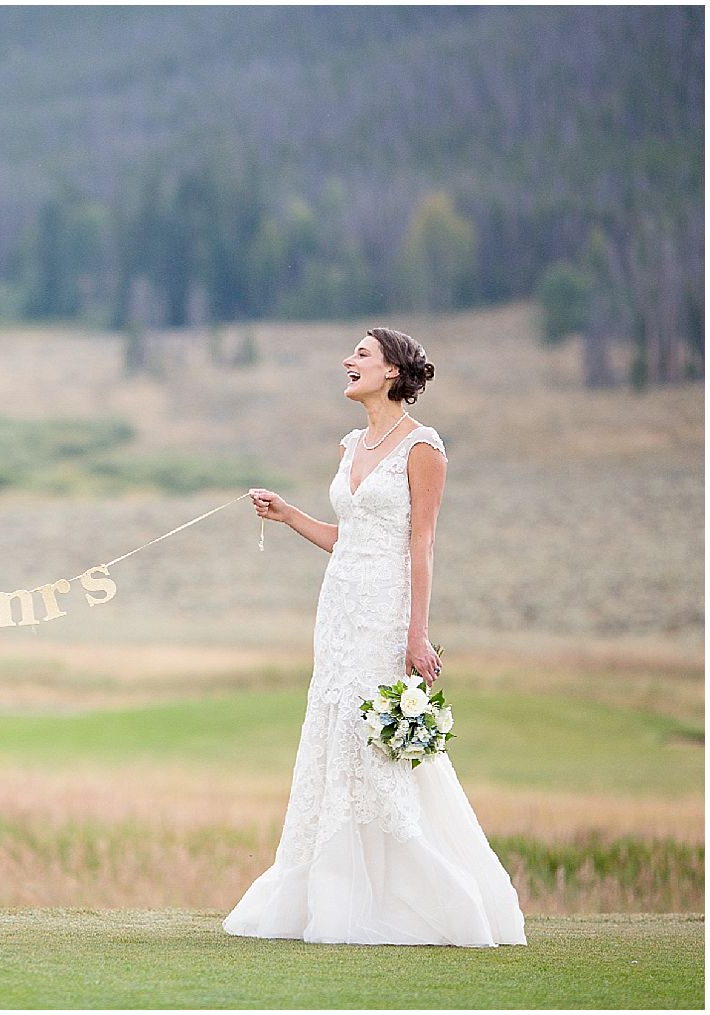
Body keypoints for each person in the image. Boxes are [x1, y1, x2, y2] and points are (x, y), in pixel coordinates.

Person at [223, 327, 525, 947]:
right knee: (334, 731)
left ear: (392, 371)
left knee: (376, 739)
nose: (347, 361)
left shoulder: (423, 448)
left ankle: (423, 895)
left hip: (387, 614)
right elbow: (346, 537)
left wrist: (418, 637)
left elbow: (423, 544)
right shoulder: (352, 445)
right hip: (338, 610)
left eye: (360, 354)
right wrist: (287, 516)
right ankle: (336, 890)